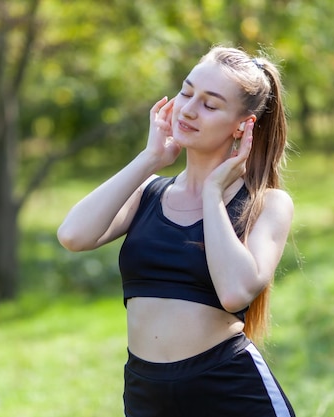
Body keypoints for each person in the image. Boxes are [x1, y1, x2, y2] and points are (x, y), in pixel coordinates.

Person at [57, 45, 295, 417]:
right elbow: (73, 235)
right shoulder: (147, 192)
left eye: (210, 104)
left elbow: (235, 292)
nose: (188, 109)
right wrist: (150, 158)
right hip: (146, 394)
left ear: (243, 125)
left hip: (229, 392)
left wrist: (214, 192)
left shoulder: (267, 204)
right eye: (187, 92)